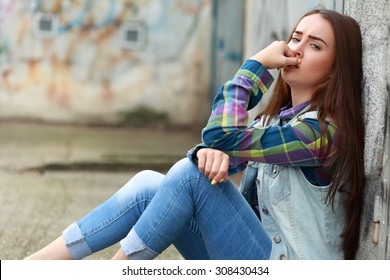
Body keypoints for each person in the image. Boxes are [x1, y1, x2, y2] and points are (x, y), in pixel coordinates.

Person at [25, 8, 365, 260]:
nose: (296, 49)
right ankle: (33, 266)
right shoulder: (272, 125)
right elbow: (215, 148)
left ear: (336, 69)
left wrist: (254, 66)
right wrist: (207, 153)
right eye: (295, 38)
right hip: (255, 259)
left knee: (189, 175)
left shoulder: (320, 132)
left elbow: (220, 139)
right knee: (150, 185)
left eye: (315, 45)